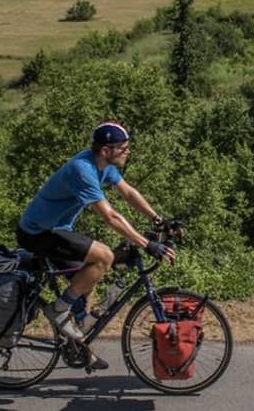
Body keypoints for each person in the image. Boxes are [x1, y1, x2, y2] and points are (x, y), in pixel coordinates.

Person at [16, 122, 174, 367]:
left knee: (87, 278)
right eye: (123, 148)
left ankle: (79, 346)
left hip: (57, 230)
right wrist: (146, 244)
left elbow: (129, 193)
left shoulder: (103, 166)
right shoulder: (83, 170)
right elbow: (110, 217)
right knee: (104, 257)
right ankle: (58, 310)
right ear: (106, 150)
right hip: (37, 233)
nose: (127, 151)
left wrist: (158, 220)